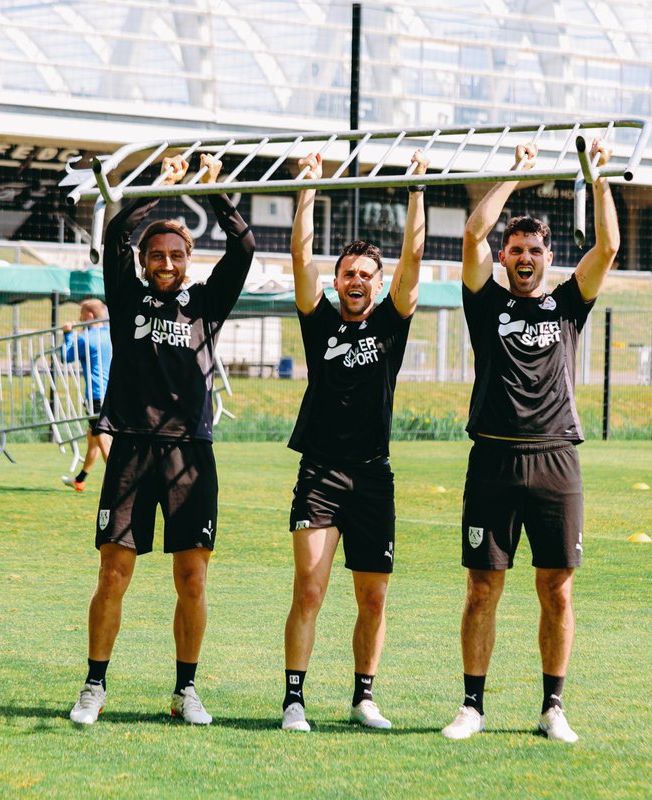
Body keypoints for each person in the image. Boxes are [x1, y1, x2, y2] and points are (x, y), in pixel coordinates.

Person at [441, 140, 619, 742]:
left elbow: (610, 247)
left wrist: (597, 179)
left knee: (556, 588)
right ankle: (472, 707)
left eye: (533, 250)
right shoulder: (484, 303)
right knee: (482, 587)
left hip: (556, 460)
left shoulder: (568, 303)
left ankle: (553, 708)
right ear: (506, 257)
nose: (523, 257)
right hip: (492, 458)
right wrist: (516, 175)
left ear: (548, 257)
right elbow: (471, 236)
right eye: (514, 249)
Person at [68, 153, 255, 726]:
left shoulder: (205, 304)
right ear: (146, 263)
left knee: (192, 578)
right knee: (113, 574)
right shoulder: (126, 300)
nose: (167, 262)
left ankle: (185, 690)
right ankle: (94, 686)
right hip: (129, 447)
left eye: (176, 254)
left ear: (188, 260)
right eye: (158, 255)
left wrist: (216, 190)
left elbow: (244, 249)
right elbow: (118, 229)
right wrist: (159, 188)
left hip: (191, 454)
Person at [280, 149, 429, 732]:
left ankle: (363, 697)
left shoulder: (391, 323)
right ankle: (294, 699)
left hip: (373, 476)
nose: (357, 281)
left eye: (367, 274)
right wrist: (309, 190)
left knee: (373, 598)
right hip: (319, 471)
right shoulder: (319, 322)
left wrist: (417, 190)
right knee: (310, 589)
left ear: (378, 283)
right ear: (338, 281)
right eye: (349, 274)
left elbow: (414, 254)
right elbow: (299, 254)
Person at [60, 298, 112, 493]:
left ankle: (119, 480)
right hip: (112, 392)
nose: (79, 317)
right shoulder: (110, 334)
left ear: (89, 316)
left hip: (96, 394)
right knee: (93, 436)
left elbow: (66, 357)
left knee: (101, 437)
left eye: (81, 313)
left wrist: (67, 334)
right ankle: (80, 480)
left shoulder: (86, 338)